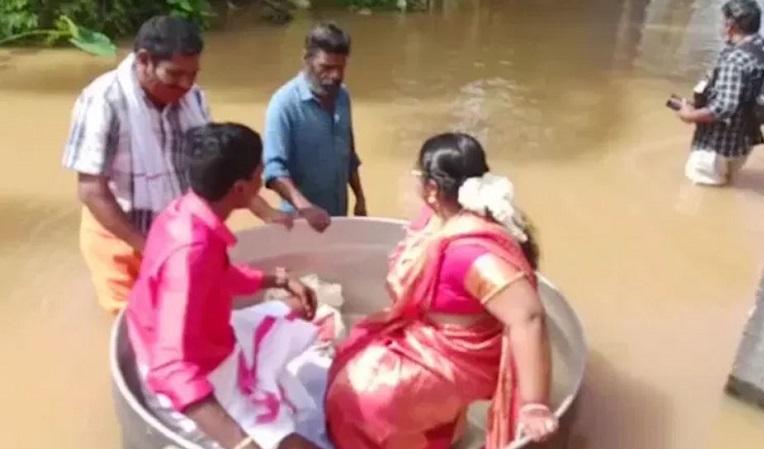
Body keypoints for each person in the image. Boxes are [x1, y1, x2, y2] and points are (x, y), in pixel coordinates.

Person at [325, 133, 557, 449]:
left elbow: (528, 316)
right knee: (353, 350)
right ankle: (434, 433)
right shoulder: (437, 222)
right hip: (428, 337)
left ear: (432, 188)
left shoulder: (471, 252)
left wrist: (535, 404)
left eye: (419, 177)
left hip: (458, 355)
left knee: (358, 400)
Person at [62, 15, 289, 313]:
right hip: (123, 239)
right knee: (133, 326)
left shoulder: (193, 99)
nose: (185, 84)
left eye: (192, 74)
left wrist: (265, 211)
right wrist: (149, 247)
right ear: (143, 60)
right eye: (175, 74)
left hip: (177, 236)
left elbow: (218, 165)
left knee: (185, 312)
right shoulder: (103, 101)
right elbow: (92, 190)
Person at [126, 122, 328, 449]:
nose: (262, 179)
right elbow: (172, 368)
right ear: (239, 189)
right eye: (259, 173)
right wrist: (241, 443)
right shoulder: (191, 252)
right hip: (191, 377)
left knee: (297, 309)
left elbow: (219, 275)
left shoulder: (185, 213)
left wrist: (277, 279)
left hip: (212, 339)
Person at [263, 22, 366, 232]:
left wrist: (360, 198)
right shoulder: (284, 105)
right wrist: (306, 208)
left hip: (338, 216)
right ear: (307, 60)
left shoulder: (342, 96)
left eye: (341, 67)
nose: (335, 75)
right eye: (326, 68)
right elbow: (273, 172)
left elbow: (349, 155)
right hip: (301, 222)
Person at [676, 0, 764, 186]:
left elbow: (724, 107)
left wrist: (689, 115)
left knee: (698, 196)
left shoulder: (735, 60)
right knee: (726, 187)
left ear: (730, 25)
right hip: (744, 143)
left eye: (723, 21)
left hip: (715, 148)